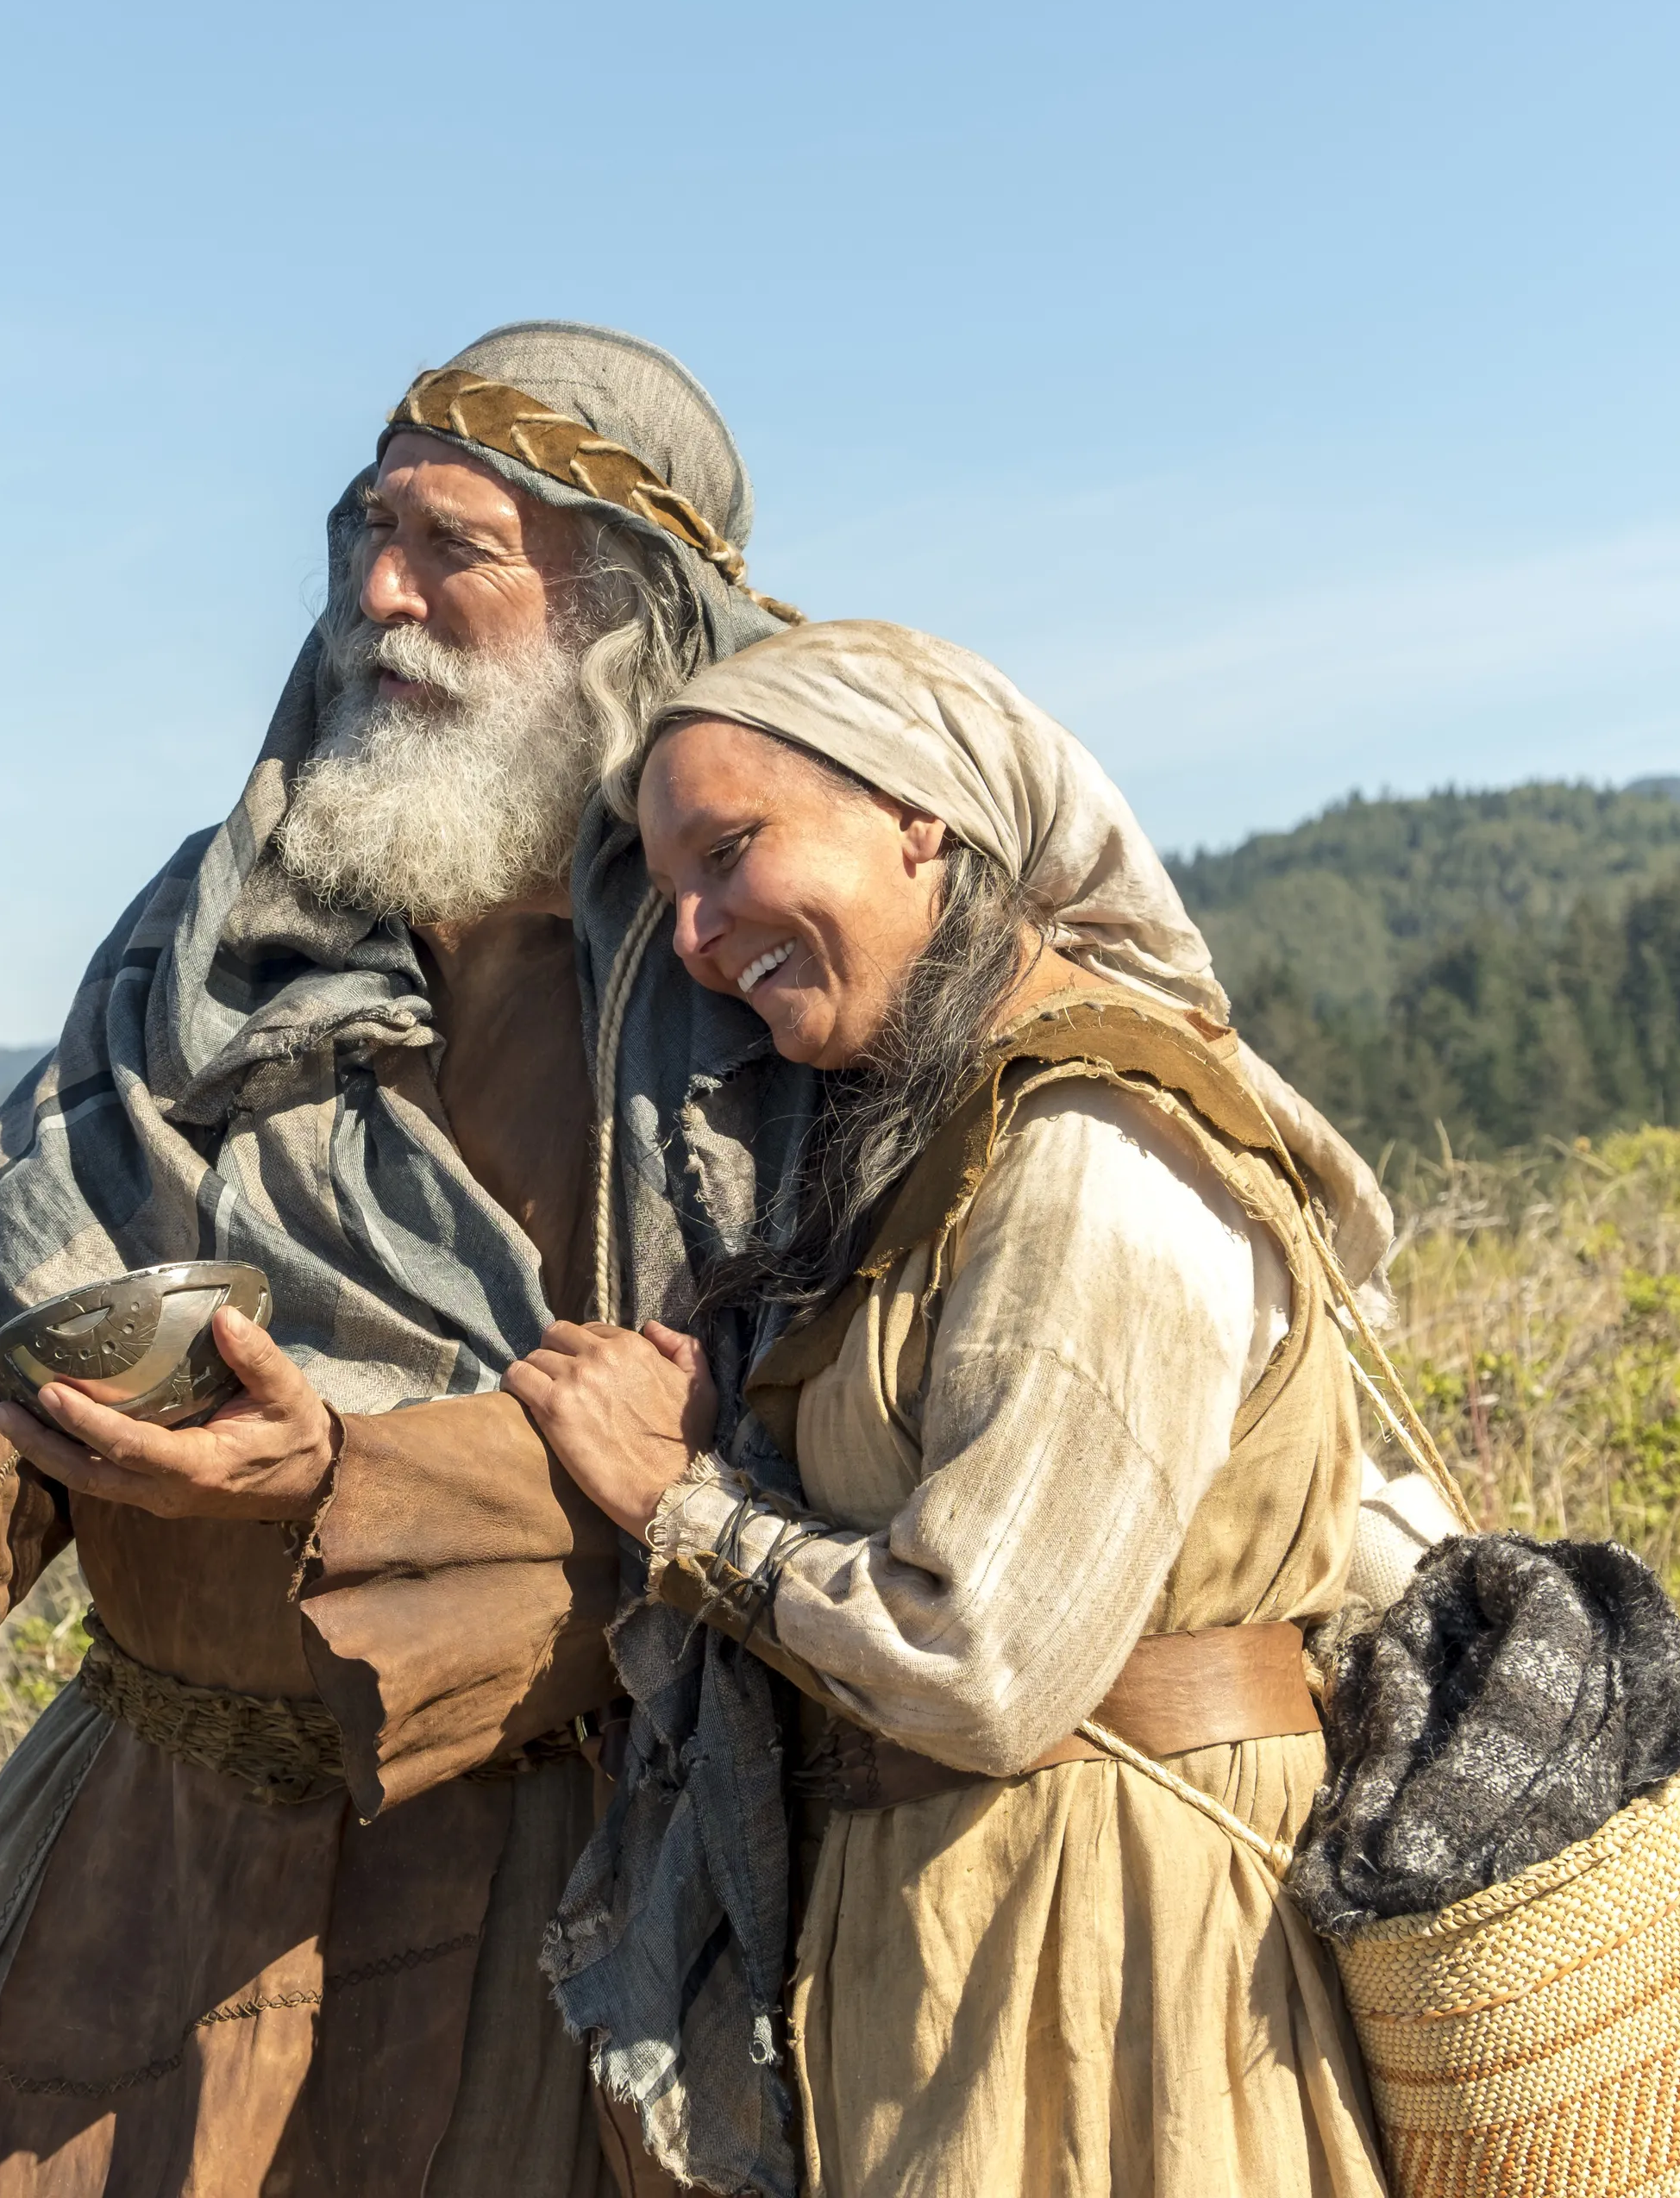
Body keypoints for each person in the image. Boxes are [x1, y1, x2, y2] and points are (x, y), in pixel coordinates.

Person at [0, 322, 811, 2198]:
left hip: (533, 1905)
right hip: (132, 1888)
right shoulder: (206, 928)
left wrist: (358, 1476)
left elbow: (805, 1440)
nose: (373, 598)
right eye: (355, 538)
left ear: (629, 608)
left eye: (448, 546)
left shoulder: (740, 989)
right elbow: (21, 1267)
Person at [510, 620, 1397, 2196]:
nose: (705, 936)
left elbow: (985, 1661)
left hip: (1110, 1952)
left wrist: (680, 1504)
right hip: (953, 1926)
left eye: (732, 854)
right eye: (673, 898)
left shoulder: (1095, 1155)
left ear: (921, 819)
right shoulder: (959, 1142)